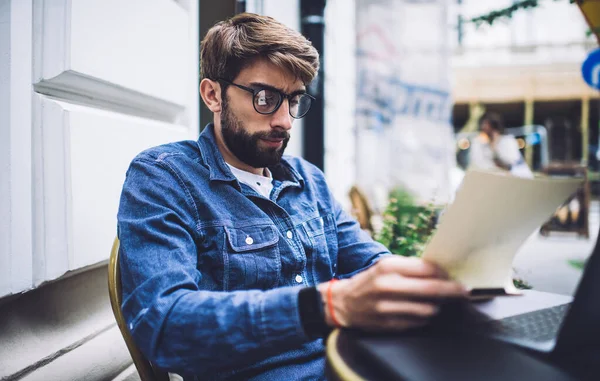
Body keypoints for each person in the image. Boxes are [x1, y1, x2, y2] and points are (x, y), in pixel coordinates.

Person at [117, 13, 466, 380]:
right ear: (213, 94)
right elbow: (166, 326)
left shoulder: (308, 180)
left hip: (348, 367)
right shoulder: (163, 177)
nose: (284, 120)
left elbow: (367, 262)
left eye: (294, 100)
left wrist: (431, 279)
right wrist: (327, 306)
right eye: (265, 98)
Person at [468, 112, 533, 178]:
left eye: (485, 124)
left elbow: (510, 163)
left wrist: (494, 148)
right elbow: (480, 164)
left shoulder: (507, 141)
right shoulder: (484, 144)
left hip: (518, 177)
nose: (483, 127)